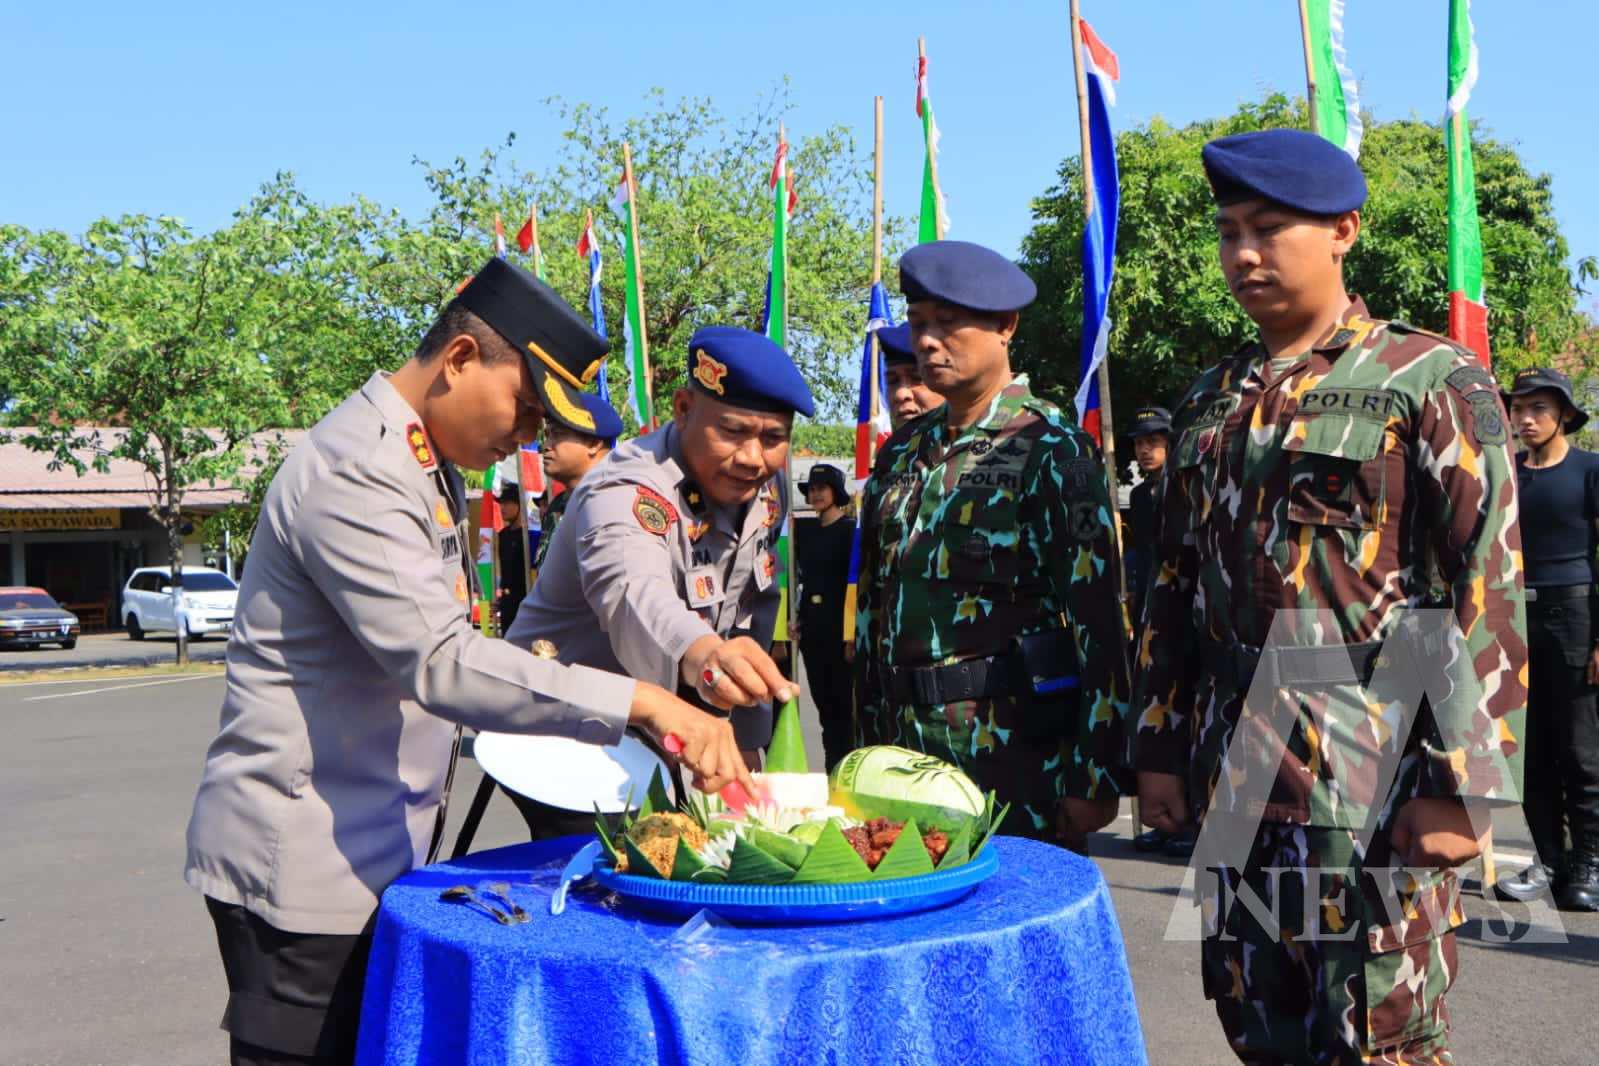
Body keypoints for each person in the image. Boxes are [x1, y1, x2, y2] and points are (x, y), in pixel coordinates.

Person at [183, 258, 751, 1066]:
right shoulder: (358, 471)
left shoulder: (416, 459)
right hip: (302, 863)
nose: (529, 438)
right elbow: (442, 661)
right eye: (524, 409)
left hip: (367, 839)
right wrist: (645, 703)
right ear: (458, 360)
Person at [1133, 129, 1526, 1063]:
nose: (1243, 254)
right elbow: (1173, 585)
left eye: (1269, 229)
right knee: (1253, 1016)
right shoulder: (1209, 398)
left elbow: (1489, 580)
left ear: (1344, 230)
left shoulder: (1426, 377)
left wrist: (1463, 783)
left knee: (1378, 1029)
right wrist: (1155, 745)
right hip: (1235, 763)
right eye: (1229, 231)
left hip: (1373, 765)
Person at [854, 240, 1131, 850]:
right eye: (919, 323)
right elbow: (875, 610)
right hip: (901, 757)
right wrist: (861, 749)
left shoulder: (1050, 449)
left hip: (1011, 759)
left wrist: (1096, 772)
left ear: (1005, 327)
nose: (927, 341)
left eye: (948, 324)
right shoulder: (901, 452)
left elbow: (1098, 621)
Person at [507, 325, 809, 762]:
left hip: (678, 722)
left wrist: (746, 739)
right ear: (683, 409)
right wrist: (708, 657)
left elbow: (751, 612)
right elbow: (635, 594)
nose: (751, 457)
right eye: (731, 431)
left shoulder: (767, 486)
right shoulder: (623, 488)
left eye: (773, 439)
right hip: (567, 734)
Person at [1494, 367, 1599, 911]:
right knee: (1530, 751)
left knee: (1580, 748)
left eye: (1538, 408)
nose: (1526, 418)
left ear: (1564, 415)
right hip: (1517, 618)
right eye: (1519, 408)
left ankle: (1590, 863)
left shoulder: (1589, 470)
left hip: (1576, 614)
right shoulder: (1509, 475)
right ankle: (1547, 861)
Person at [1120, 406, 1192, 858]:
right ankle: (1165, 823)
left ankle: (1187, 821)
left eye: (1154, 441)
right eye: (1139, 442)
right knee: (1154, 715)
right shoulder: (1144, 495)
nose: (1146, 449)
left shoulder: (1183, 485)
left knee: (1181, 714)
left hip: (1181, 613)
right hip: (1147, 609)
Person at [794, 462, 857, 768]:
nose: (816, 494)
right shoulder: (803, 531)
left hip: (840, 634)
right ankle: (832, 772)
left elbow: (853, 586)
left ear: (837, 491)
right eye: (812, 489)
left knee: (844, 712)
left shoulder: (850, 531)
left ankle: (846, 770)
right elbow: (797, 581)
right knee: (825, 712)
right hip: (812, 634)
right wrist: (796, 620)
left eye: (822, 488)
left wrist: (851, 635)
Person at [531, 391, 621, 578]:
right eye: (547, 435)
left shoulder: (616, 502)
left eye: (557, 435)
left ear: (594, 444)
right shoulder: (559, 504)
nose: (545, 445)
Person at [875, 321, 944, 429]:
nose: (900, 395)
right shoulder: (891, 446)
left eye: (917, 378)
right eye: (893, 381)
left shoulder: (976, 442)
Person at [494, 482, 527, 634]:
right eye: (501, 503)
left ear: (519, 505)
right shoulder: (502, 536)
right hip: (507, 604)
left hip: (524, 604)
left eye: (507, 503)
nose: (502, 508)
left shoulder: (528, 537)